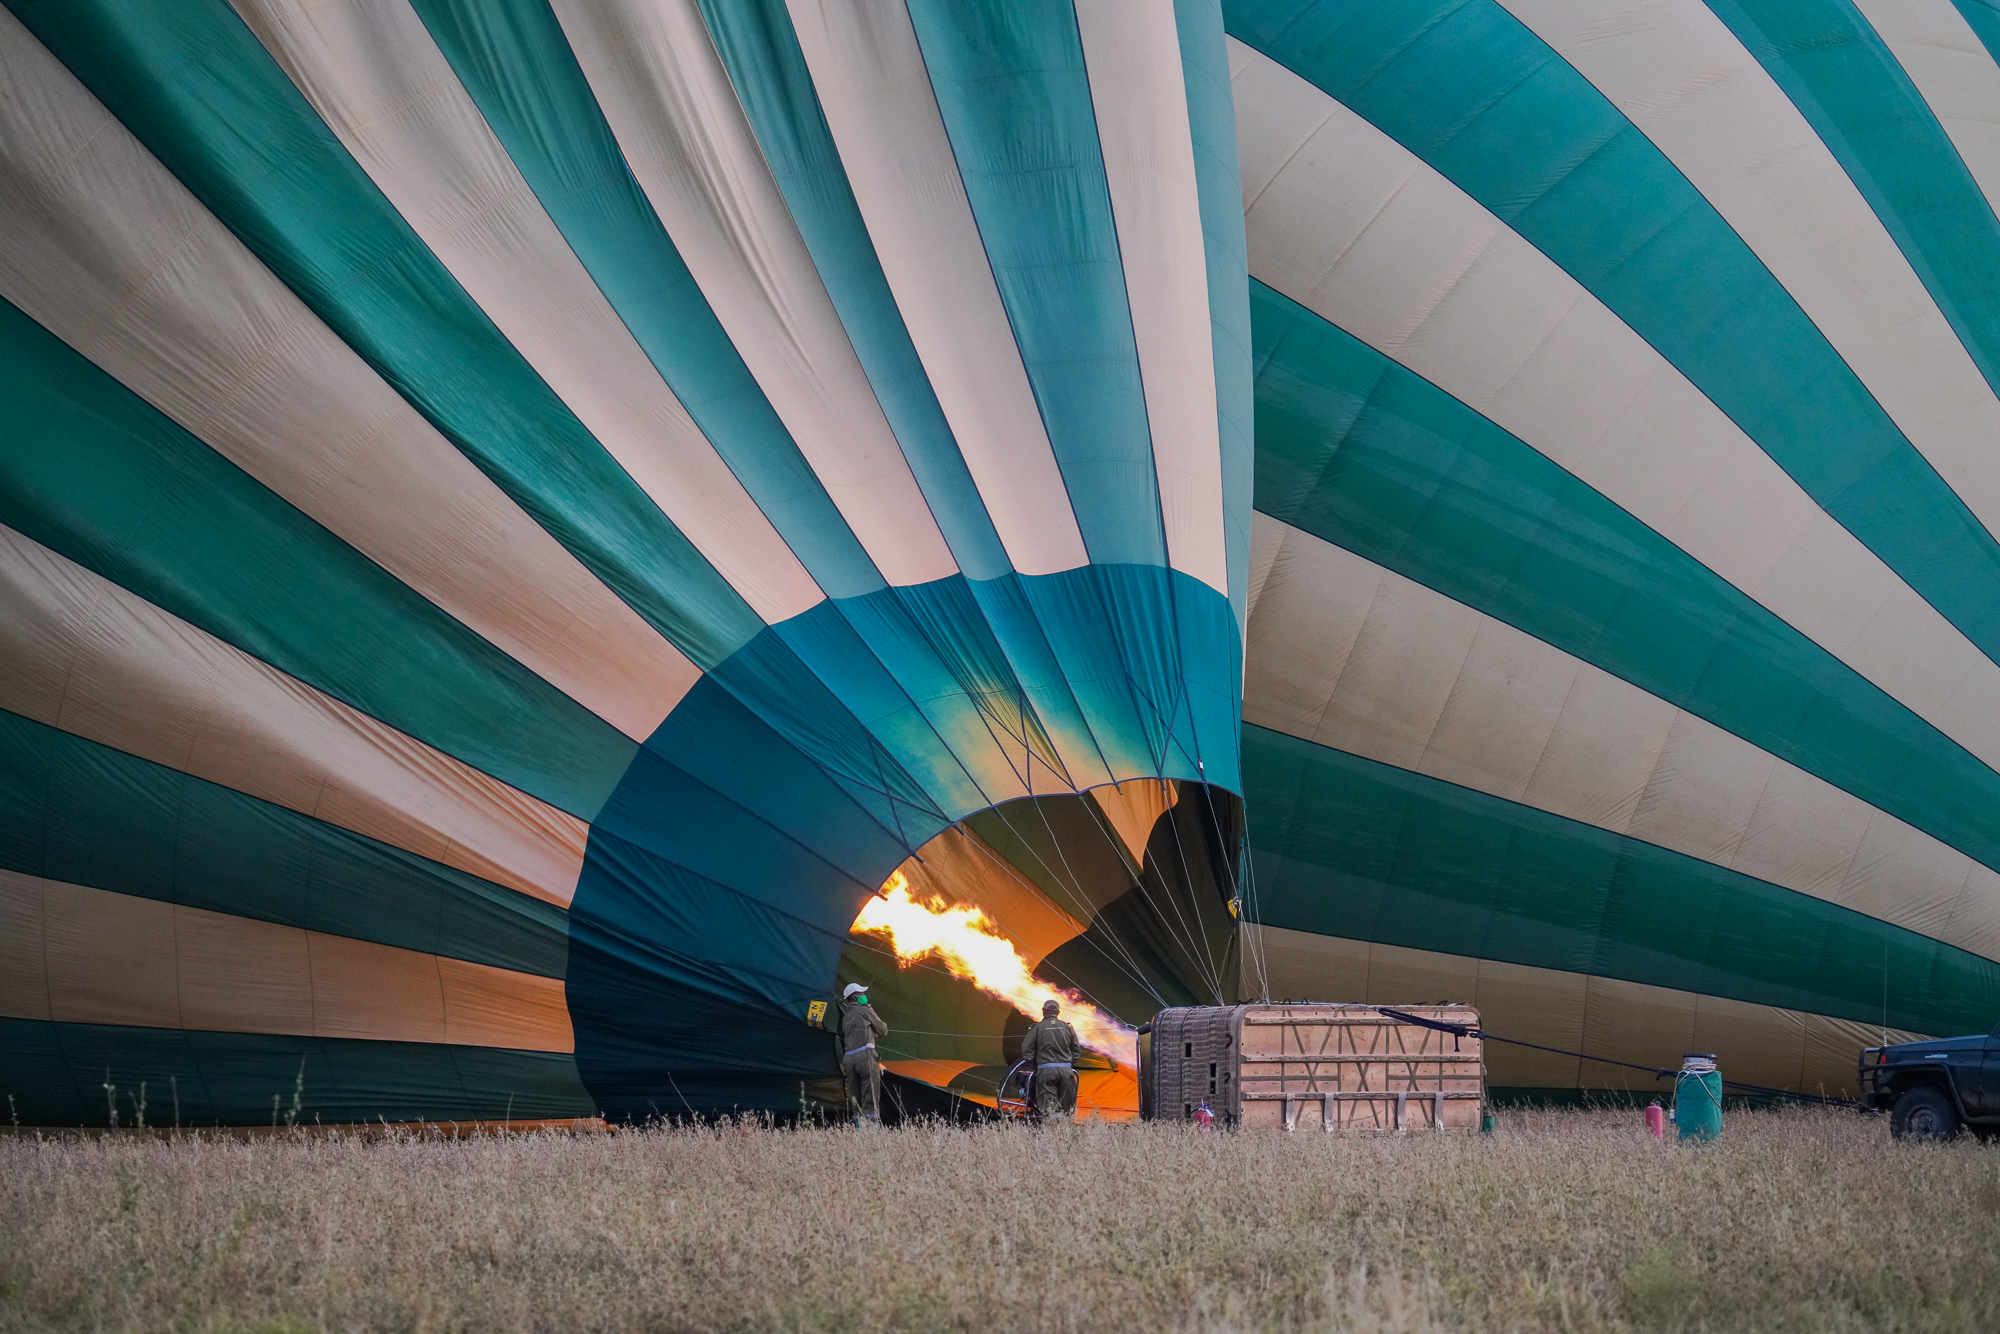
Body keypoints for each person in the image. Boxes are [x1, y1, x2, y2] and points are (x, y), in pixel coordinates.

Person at [829, 982, 888, 1125]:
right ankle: (872, 1129)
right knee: (871, 1094)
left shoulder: (846, 1016)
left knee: (855, 1097)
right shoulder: (865, 1010)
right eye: (861, 993)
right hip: (865, 1057)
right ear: (855, 997)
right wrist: (872, 1012)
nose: (864, 995)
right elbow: (883, 1030)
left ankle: (858, 1127)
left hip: (849, 1059)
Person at [1020, 998, 1080, 1121]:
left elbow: (1027, 1050)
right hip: (1066, 1072)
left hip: (1046, 1071)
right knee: (1067, 1107)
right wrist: (1068, 1065)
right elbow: (1076, 1052)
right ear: (1058, 1012)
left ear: (1044, 1012)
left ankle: (1052, 1134)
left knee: (1050, 1108)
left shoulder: (1037, 1028)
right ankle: (1067, 1133)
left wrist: (1034, 1065)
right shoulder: (1067, 1027)